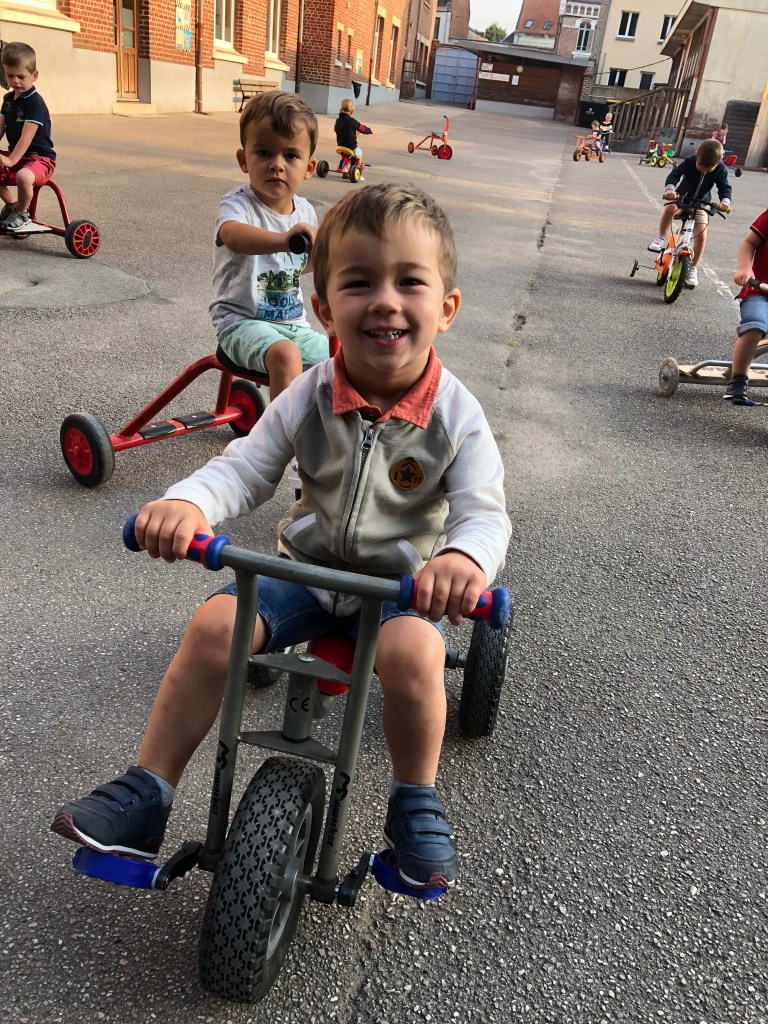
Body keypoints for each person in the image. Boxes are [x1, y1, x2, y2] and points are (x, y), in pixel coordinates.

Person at [51, 181, 512, 891]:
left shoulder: (458, 415)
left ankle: (414, 800)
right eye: (359, 283)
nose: (384, 301)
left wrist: (461, 559)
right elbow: (245, 467)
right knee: (215, 627)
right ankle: (149, 790)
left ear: (446, 308)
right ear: (324, 309)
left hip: (398, 588)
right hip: (306, 576)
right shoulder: (308, 392)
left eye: (409, 282)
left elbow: (484, 511)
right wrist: (187, 504)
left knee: (416, 653)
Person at [211, 90, 328, 402]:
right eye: (264, 153)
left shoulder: (305, 212)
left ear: (309, 167)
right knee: (286, 356)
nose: (277, 165)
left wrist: (329, 256)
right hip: (240, 324)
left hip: (294, 326)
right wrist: (284, 240)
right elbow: (233, 236)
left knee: (345, 357)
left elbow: (300, 266)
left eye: (290, 156)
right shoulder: (237, 205)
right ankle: (281, 433)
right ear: (243, 160)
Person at [647, 138, 732, 289]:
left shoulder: (720, 169)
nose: (704, 171)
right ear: (696, 154)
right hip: (682, 200)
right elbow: (674, 175)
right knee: (670, 208)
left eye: (708, 169)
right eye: (701, 166)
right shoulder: (689, 161)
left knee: (701, 236)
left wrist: (725, 201)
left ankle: (692, 268)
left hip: (701, 205)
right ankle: (660, 237)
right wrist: (670, 189)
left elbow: (724, 187)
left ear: (719, 161)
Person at [0, 41, 56, 233]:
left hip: (40, 159)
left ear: (34, 75)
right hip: (18, 156)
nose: (15, 81)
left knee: (24, 176)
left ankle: (23, 213)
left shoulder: (35, 103)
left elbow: (26, 137)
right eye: (10, 75)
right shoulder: (8, 100)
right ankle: (12, 205)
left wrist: (10, 160)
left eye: (21, 76)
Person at [722, 209, 768, 405]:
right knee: (755, 326)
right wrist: (745, 268)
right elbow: (749, 243)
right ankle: (738, 380)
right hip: (760, 291)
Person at [333, 97, 372, 180]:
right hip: (351, 146)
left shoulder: (338, 121)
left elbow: (335, 129)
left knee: (346, 155)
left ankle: (344, 169)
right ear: (351, 111)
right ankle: (358, 173)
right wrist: (369, 130)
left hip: (340, 145)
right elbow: (361, 128)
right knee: (359, 154)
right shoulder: (352, 121)